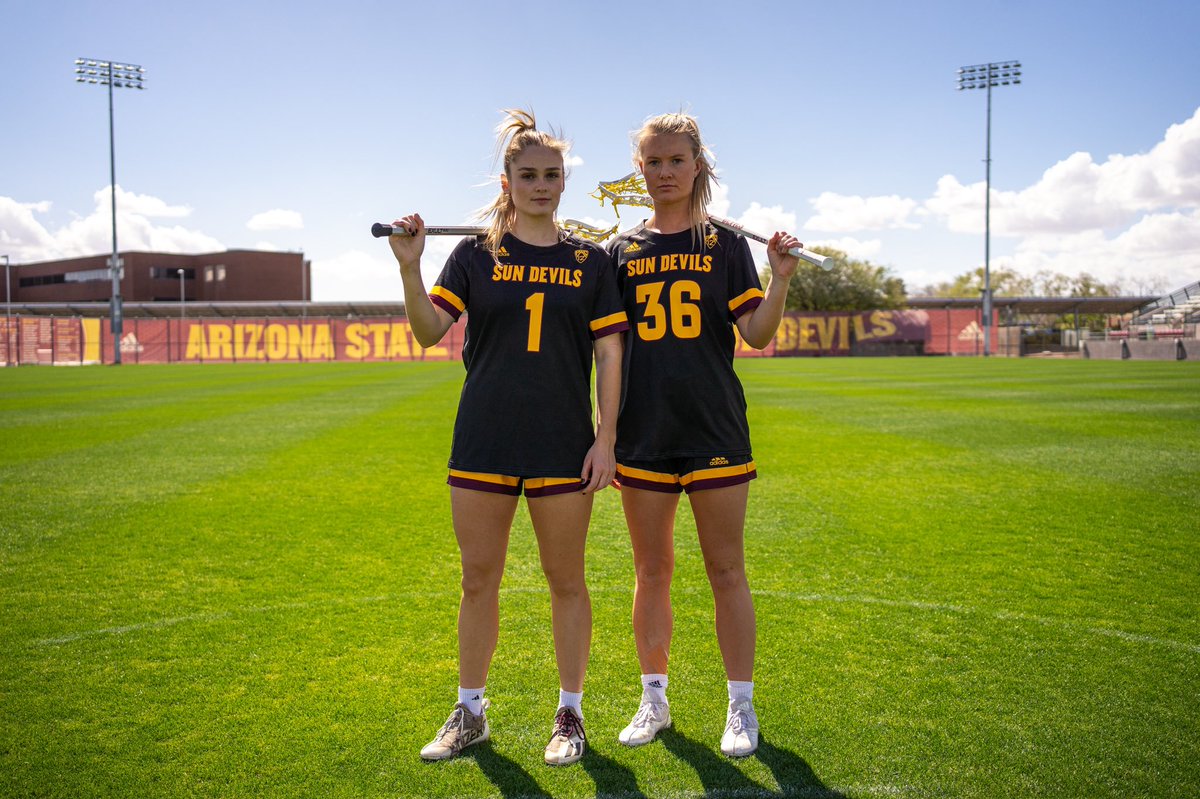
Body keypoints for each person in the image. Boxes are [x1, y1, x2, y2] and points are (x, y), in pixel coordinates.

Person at [388, 109, 628, 766]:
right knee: (477, 578)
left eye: (552, 174)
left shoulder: (590, 261)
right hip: (485, 437)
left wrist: (605, 437)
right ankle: (470, 711)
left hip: (561, 441)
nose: (542, 185)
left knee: (566, 578)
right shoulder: (474, 254)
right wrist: (411, 267)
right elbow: (430, 331)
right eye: (529, 175)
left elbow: (610, 354)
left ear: (563, 180)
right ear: (507, 181)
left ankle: (571, 714)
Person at [605, 112, 802, 757]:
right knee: (651, 570)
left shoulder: (726, 245)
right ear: (641, 171)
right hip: (643, 430)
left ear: (698, 167)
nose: (665, 172)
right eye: (653, 162)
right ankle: (653, 699)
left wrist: (780, 277)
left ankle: (740, 707)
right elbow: (605, 346)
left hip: (714, 424)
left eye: (676, 161)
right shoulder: (621, 250)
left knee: (725, 568)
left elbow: (759, 334)